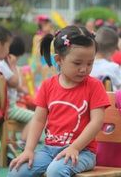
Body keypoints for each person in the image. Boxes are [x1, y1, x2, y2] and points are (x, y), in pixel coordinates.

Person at [7, 25, 110, 177]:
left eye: (90, 63)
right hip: (49, 150)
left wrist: (74, 147)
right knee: (17, 171)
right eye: (77, 63)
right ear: (59, 60)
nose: (84, 69)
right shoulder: (48, 85)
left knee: (56, 170)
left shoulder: (95, 86)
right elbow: (38, 120)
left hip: (83, 151)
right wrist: (28, 150)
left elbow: (96, 122)